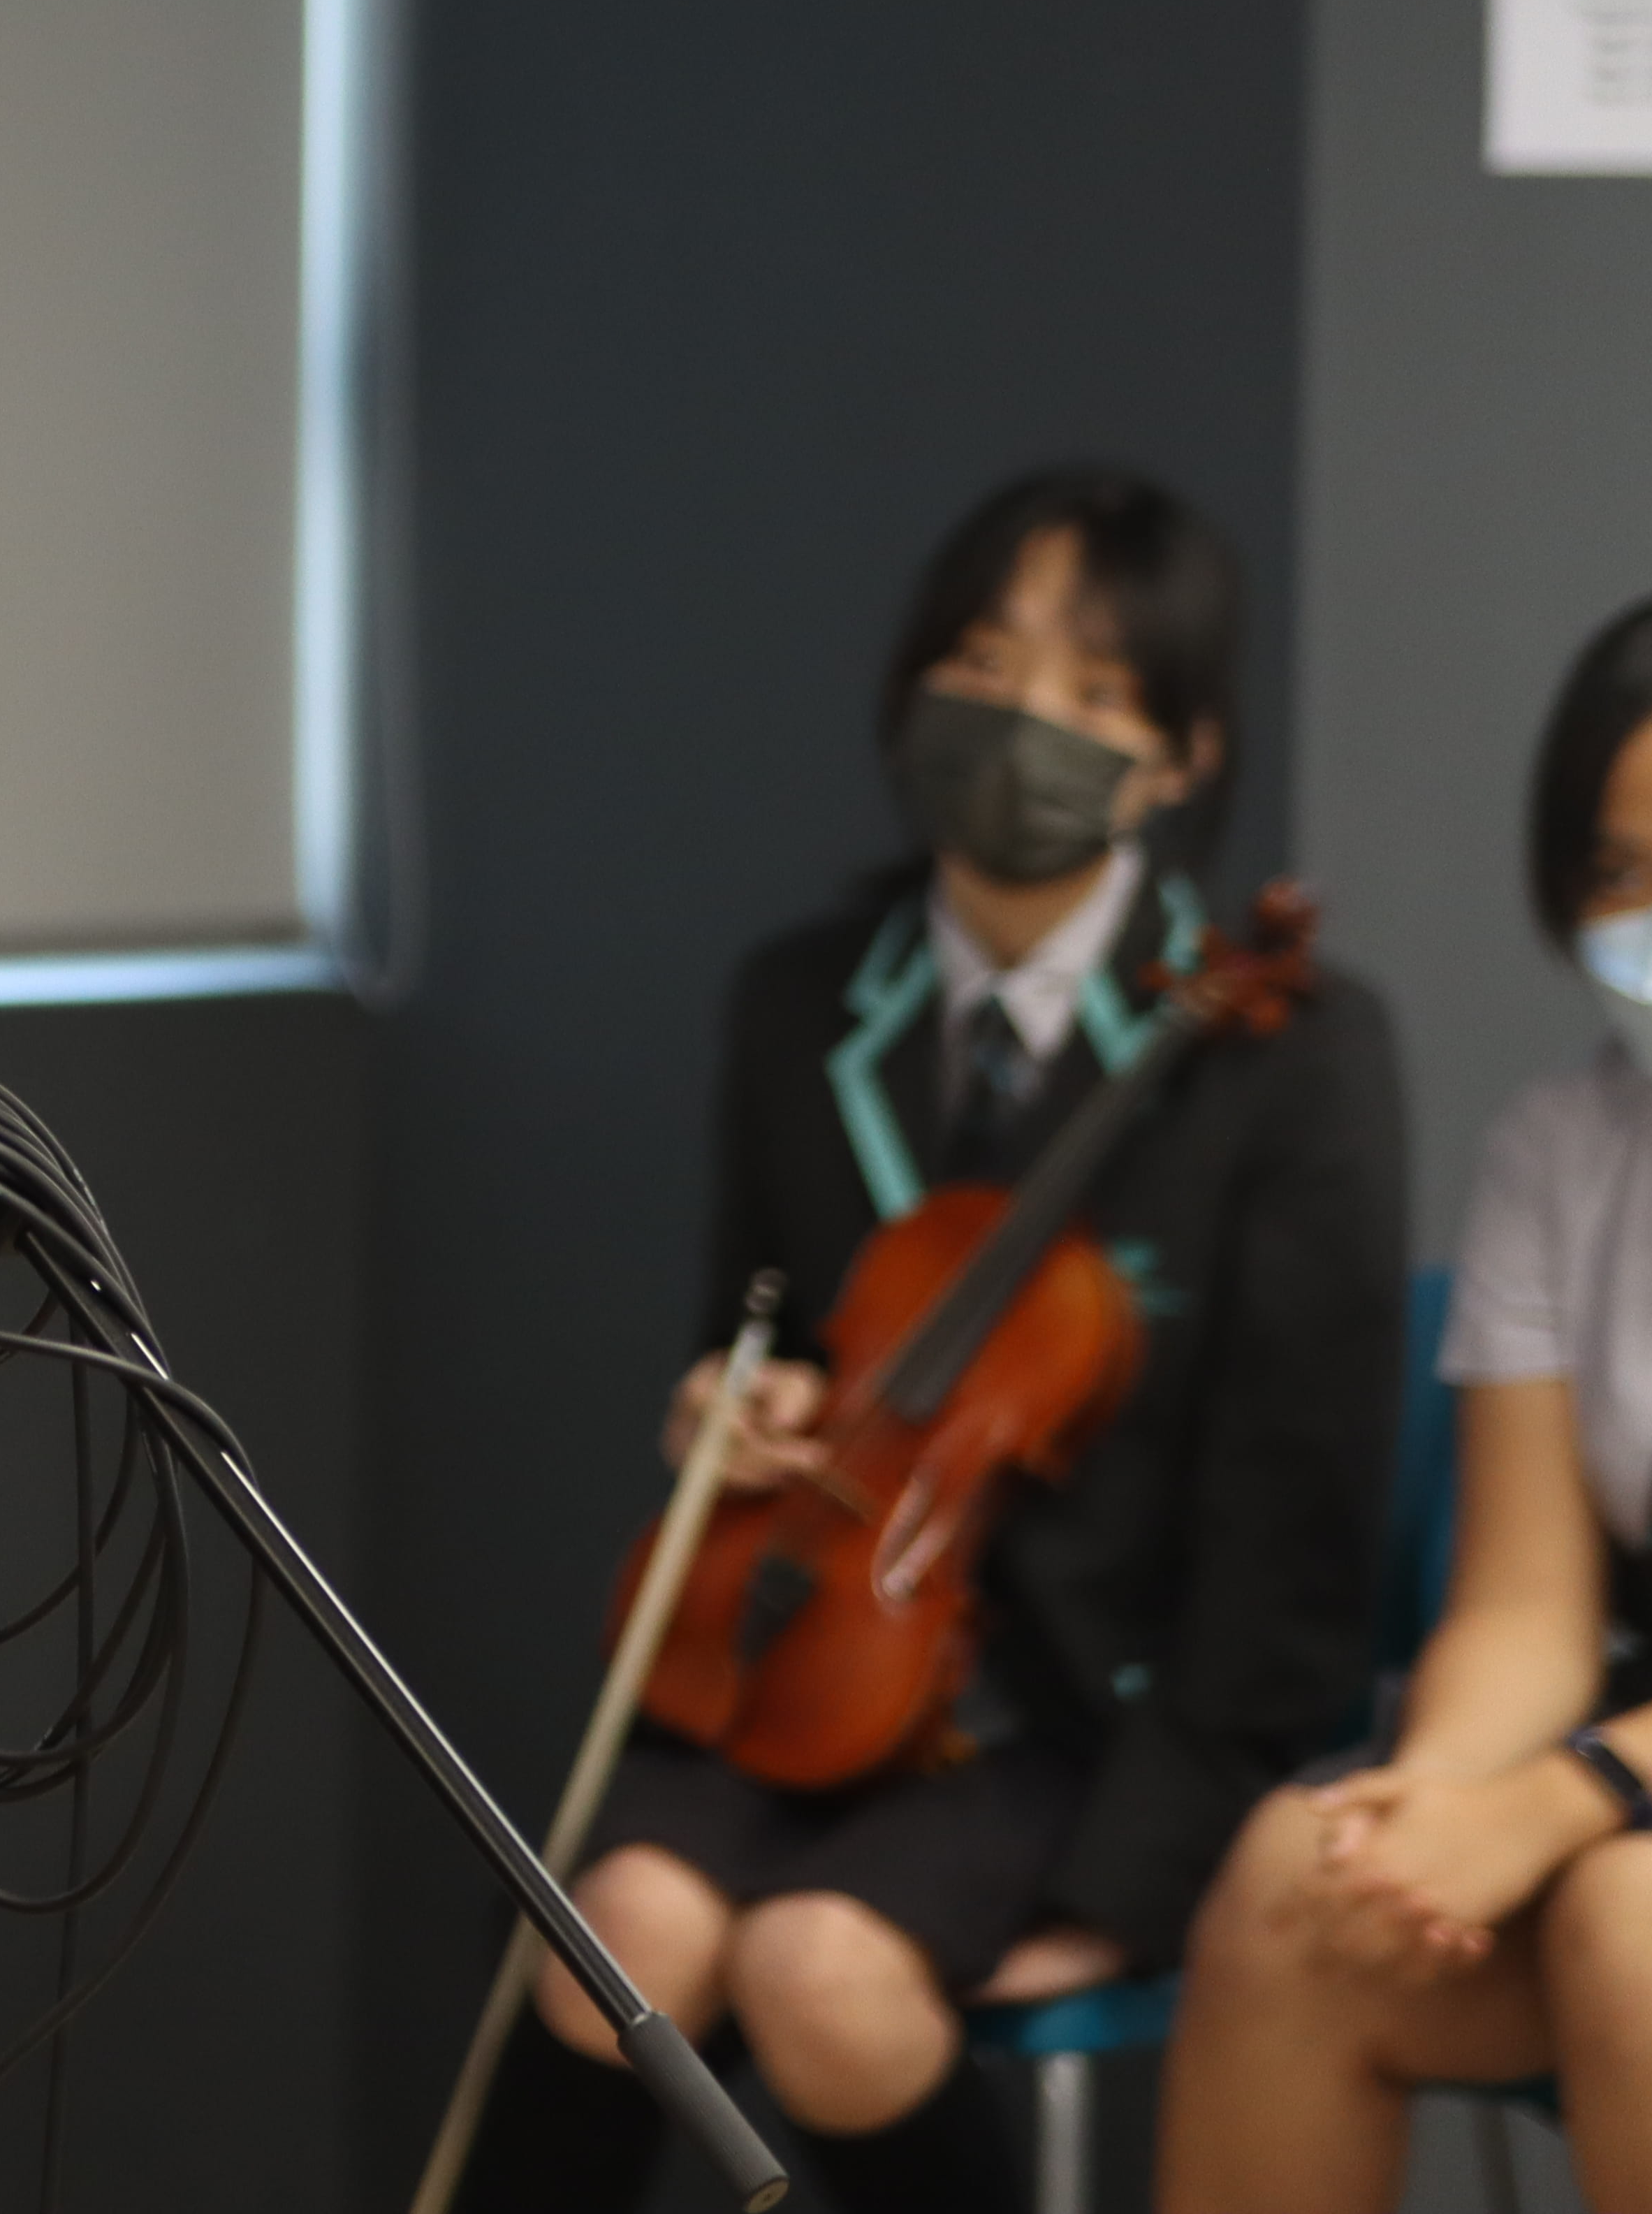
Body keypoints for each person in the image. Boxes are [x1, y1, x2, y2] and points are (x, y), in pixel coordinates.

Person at [462, 469, 1408, 2214]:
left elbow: (1297, 1527)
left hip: (1073, 1721)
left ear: (1184, 753)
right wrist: (723, 1412)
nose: (1023, 718)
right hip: (805, 1660)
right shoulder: (799, 997)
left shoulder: (1288, 1048)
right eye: (985, 658)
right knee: (622, 1940)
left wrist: (1132, 1881)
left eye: (1097, 689)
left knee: (825, 1972)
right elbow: (745, 1334)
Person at [1159, 585, 1652, 2213]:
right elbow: (1531, 1597)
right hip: (1647, 1778)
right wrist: (1431, 1808)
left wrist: (1565, 1794)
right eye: (1617, 870)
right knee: (1293, 1879)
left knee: (1630, 1912)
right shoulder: (1563, 1144)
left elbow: (1592, 1791)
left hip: (1643, 1822)